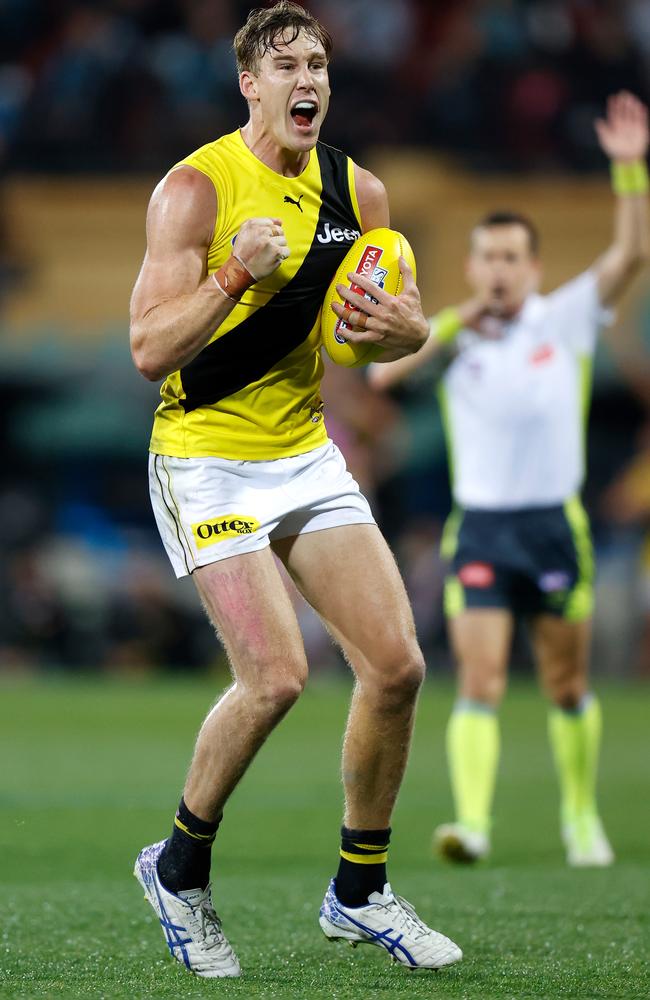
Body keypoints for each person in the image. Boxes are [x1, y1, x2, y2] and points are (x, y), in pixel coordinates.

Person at [129, 1, 461, 979]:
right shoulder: (194, 190)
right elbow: (148, 349)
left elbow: (366, 337)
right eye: (284, 65)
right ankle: (178, 870)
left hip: (303, 452)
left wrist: (409, 335)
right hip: (204, 454)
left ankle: (358, 892)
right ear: (249, 84)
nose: (305, 78)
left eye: (316, 62)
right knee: (274, 675)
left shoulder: (357, 190)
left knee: (396, 666)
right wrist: (234, 270)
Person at [368, 92, 649, 867]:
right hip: (484, 528)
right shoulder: (452, 334)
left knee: (565, 683)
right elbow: (388, 380)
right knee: (480, 679)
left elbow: (630, 257)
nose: (498, 269)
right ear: (471, 267)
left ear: (533, 267)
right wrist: (442, 325)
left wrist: (628, 170)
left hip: (554, 525)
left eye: (510, 258)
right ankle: (473, 824)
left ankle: (582, 818)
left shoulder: (563, 320)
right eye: (486, 257)